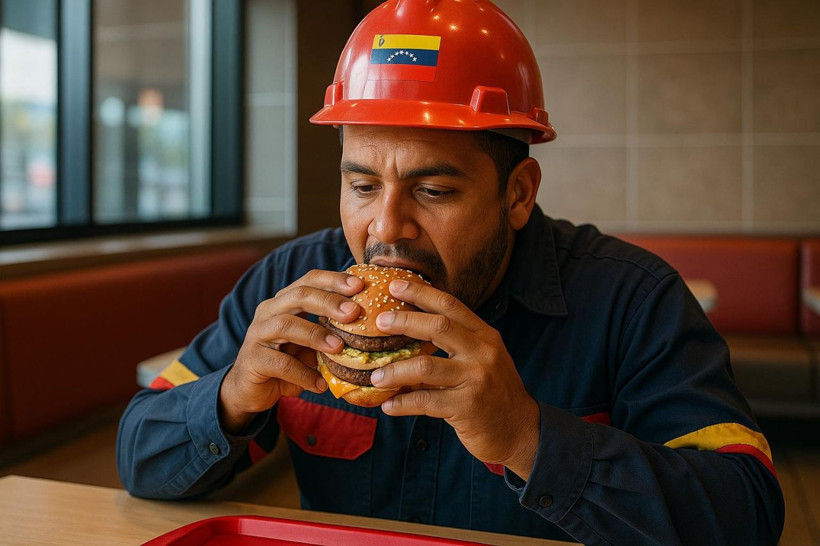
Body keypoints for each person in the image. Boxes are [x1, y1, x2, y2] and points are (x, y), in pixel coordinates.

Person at [117, 1, 784, 543]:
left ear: (517, 194)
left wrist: (526, 438)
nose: (386, 228)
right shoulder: (289, 285)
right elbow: (138, 456)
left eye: (433, 191)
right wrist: (233, 397)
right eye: (362, 186)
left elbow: (747, 513)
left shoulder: (632, 300)